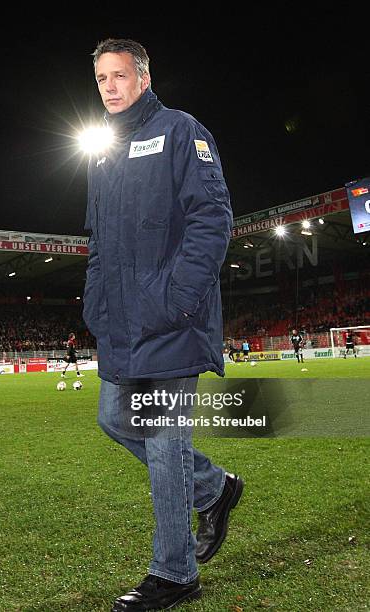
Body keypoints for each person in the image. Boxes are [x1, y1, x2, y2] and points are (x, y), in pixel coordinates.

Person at [82, 38, 242, 611]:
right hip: (124, 324)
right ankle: (215, 488)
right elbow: (98, 242)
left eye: (119, 75)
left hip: (173, 322)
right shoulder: (103, 152)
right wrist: (97, 306)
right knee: (113, 418)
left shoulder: (181, 131)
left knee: (164, 439)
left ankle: (175, 573)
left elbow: (213, 217)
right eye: (101, 78)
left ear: (143, 79)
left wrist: (176, 299)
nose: (109, 86)